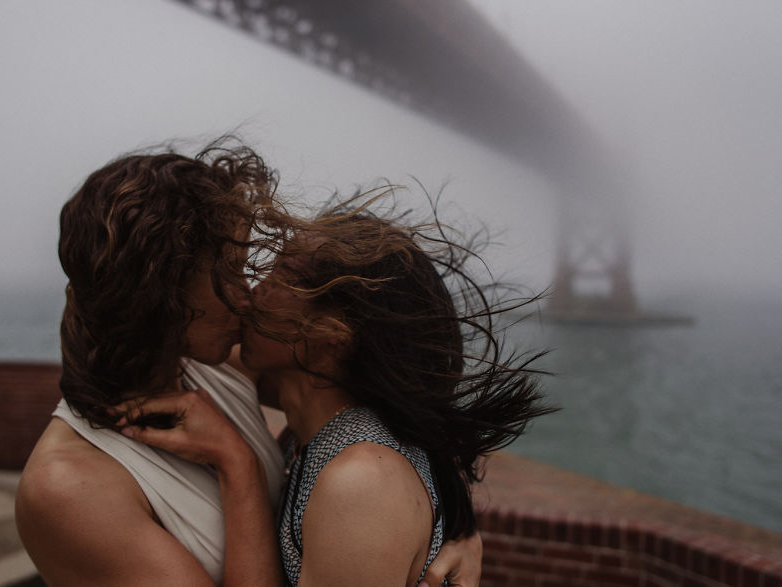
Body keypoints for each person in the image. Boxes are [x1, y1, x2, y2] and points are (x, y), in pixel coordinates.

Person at [15, 144, 482, 587]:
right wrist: (237, 463)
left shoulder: (222, 363)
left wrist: (451, 526)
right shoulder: (67, 488)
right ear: (161, 297)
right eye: (228, 273)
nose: (247, 297)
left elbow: (395, 397)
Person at [118, 200, 552, 586]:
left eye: (281, 276)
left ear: (333, 334)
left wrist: (238, 462)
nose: (252, 292)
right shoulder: (318, 412)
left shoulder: (361, 482)